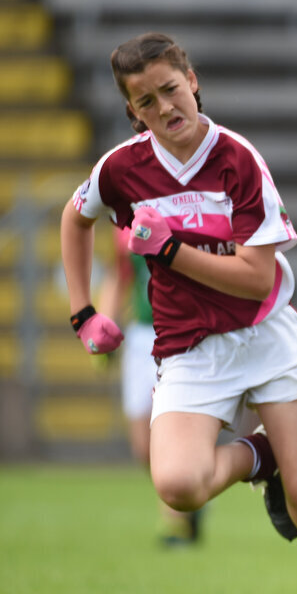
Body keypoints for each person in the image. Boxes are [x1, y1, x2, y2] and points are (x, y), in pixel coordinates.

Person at [59, 32, 297, 594]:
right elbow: (76, 218)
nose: (164, 107)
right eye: (145, 101)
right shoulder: (120, 169)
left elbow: (259, 278)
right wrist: (83, 310)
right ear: (133, 112)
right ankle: (262, 458)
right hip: (188, 351)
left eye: (171, 89)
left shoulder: (236, 159)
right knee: (176, 486)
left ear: (192, 79)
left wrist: (170, 247)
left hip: (265, 337)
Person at [99, 224, 204, 546]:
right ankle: (187, 492)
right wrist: (103, 321)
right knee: (142, 446)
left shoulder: (184, 216)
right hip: (141, 338)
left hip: (180, 334)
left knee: (170, 432)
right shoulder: (125, 229)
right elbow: (119, 276)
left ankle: (175, 521)